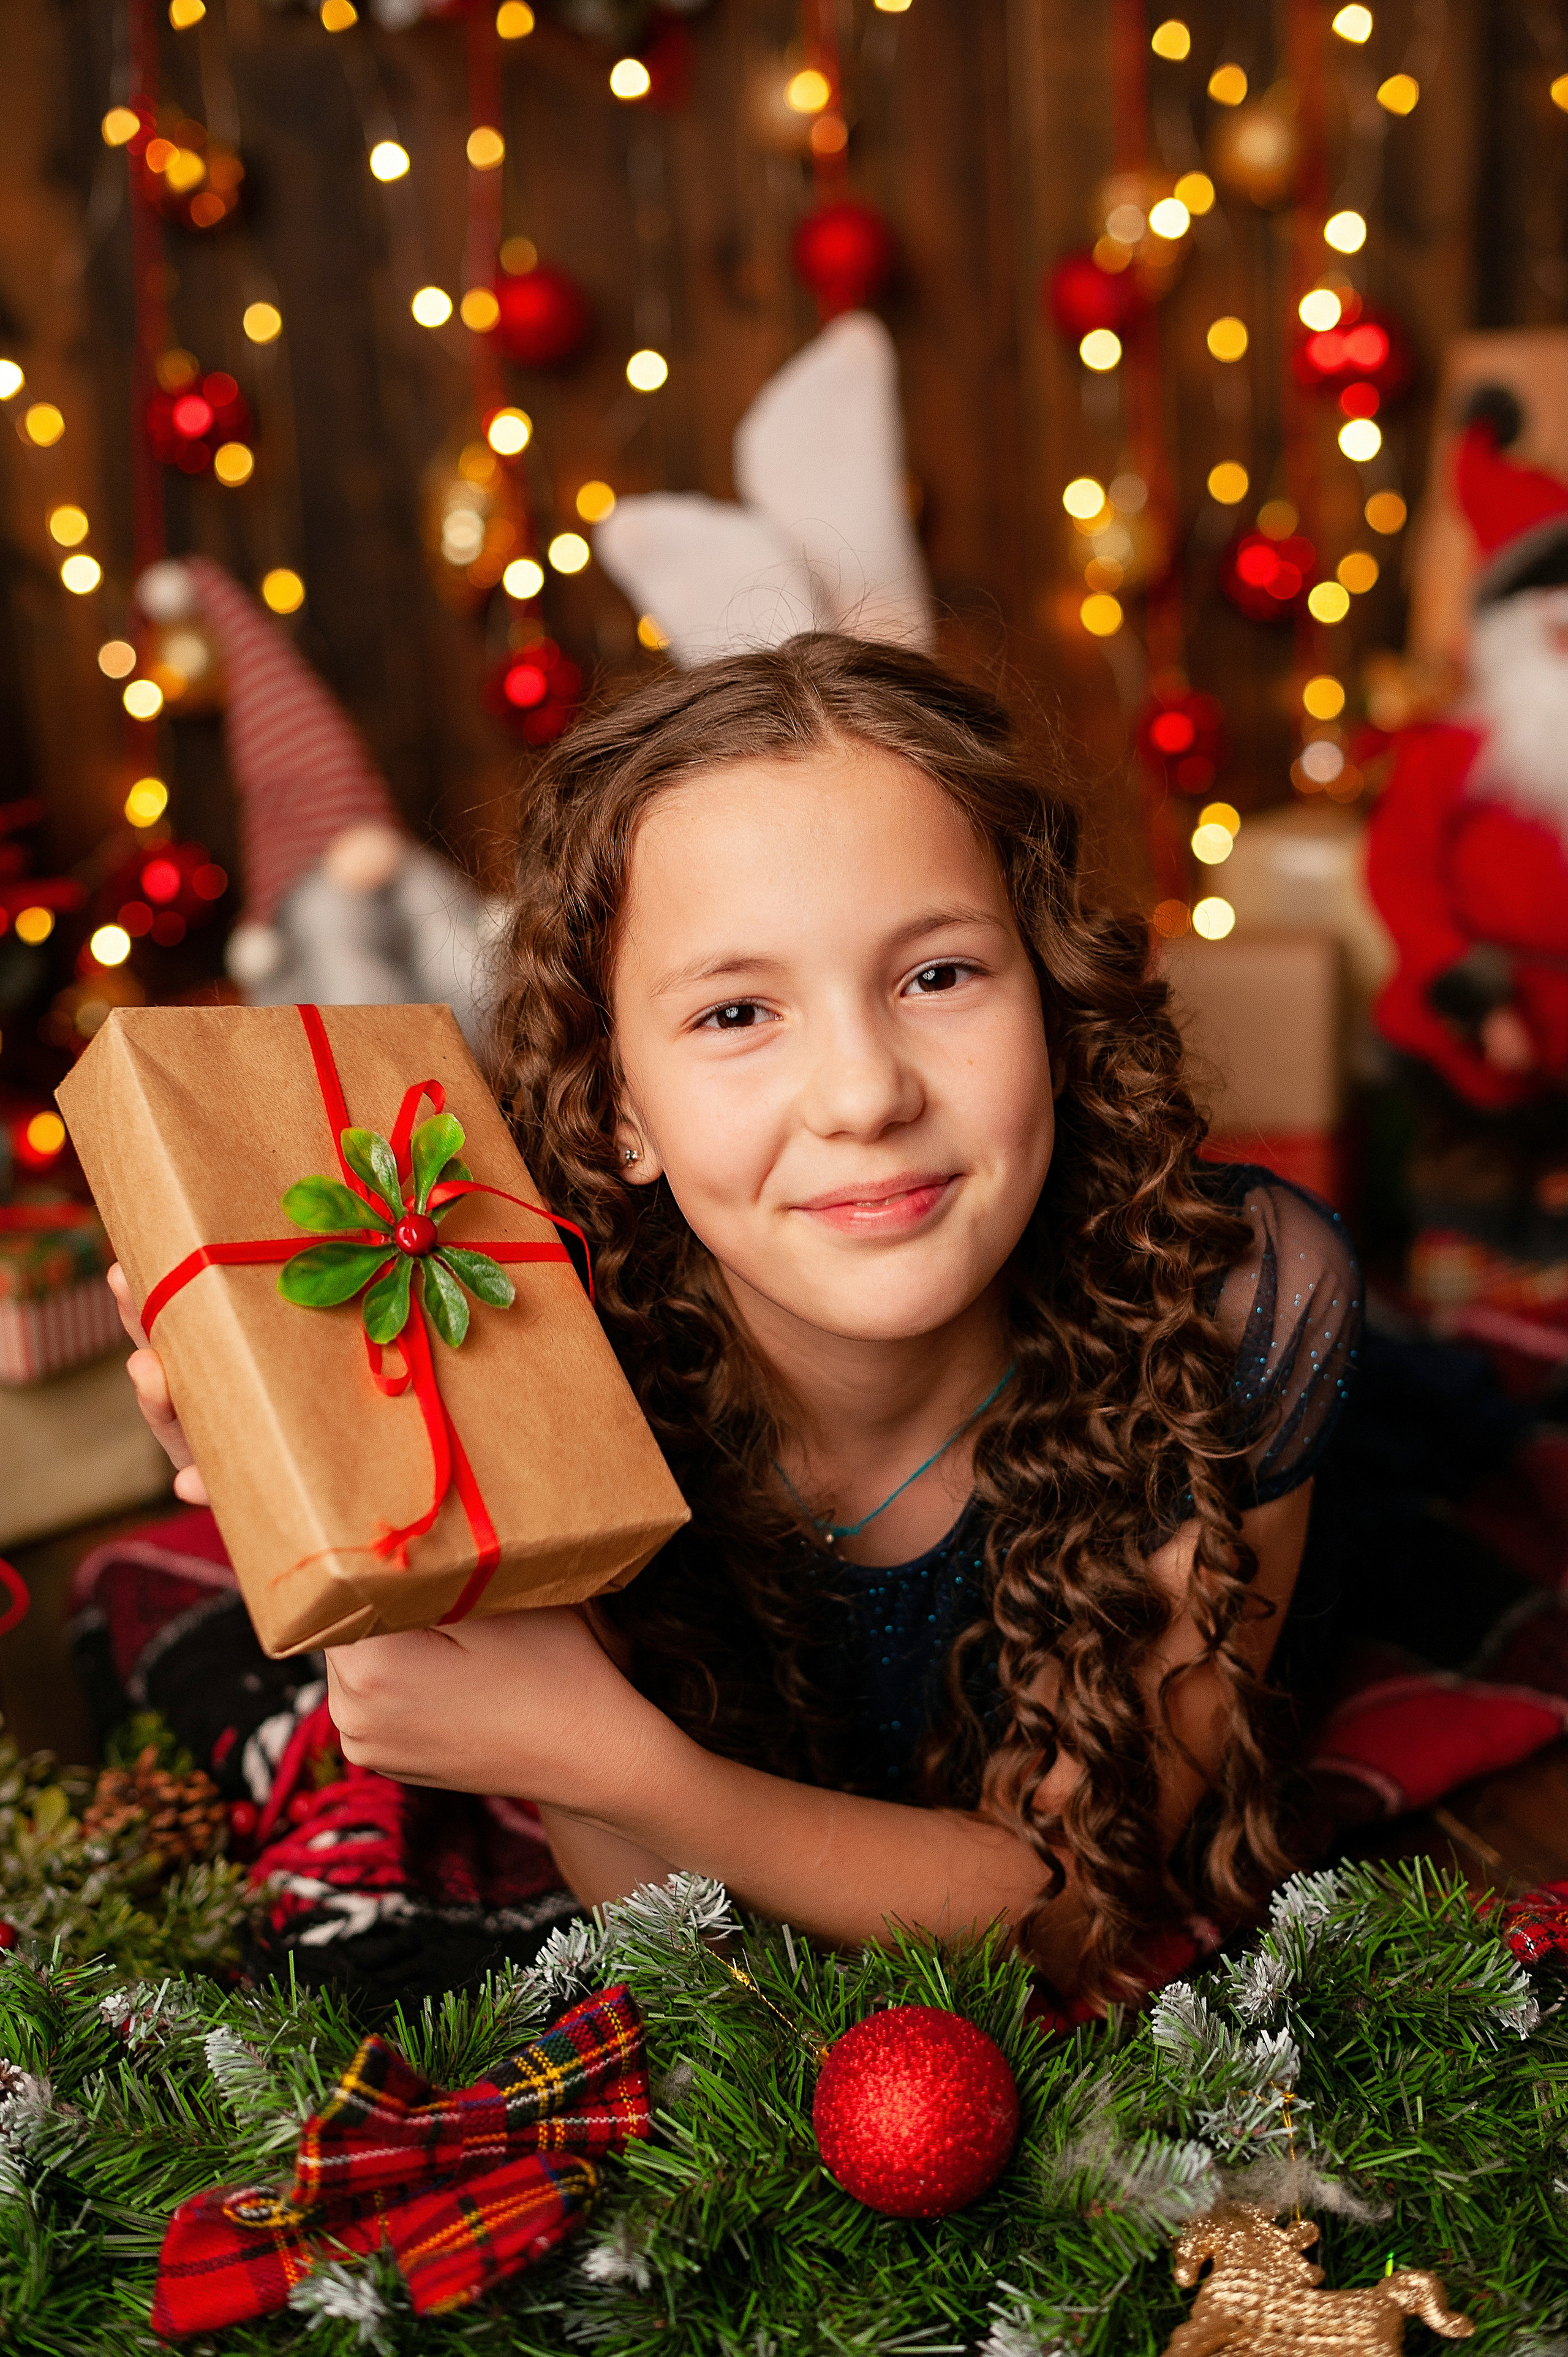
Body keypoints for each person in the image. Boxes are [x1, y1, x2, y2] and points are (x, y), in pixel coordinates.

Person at [111, 634, 1360, 2003]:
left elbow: (1072, 1909)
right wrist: (335, 1487)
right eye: (736, 1012)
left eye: (936, 975)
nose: (863, 1094)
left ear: (1052, 1011)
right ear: (615, 1111)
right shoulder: (546, 1346)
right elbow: (682, 1960)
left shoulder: (1229, 1308)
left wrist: (607, 1758)